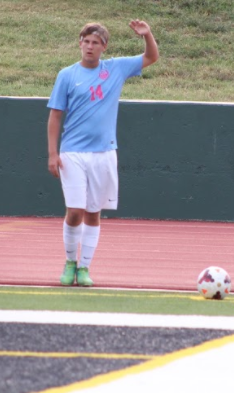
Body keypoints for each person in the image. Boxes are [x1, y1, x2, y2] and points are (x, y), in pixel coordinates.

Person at [47, 20, 159, 286]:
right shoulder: (67, 75)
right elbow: (54, 116)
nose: (89, 47)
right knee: (74, 210)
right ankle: (70, 263)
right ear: (79, 43)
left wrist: (147, 35)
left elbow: (152, 57)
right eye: (85, 41)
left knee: (93, 212)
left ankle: (84, 268)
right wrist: (52, 153)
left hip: (104, 153)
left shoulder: (116, 69)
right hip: (73, 153)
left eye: (95, 42)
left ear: (104, 47)